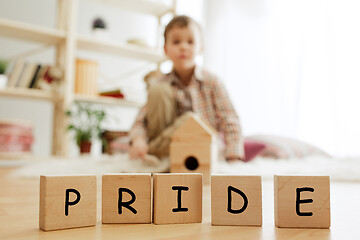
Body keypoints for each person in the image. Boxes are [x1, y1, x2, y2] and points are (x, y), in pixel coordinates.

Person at [129, 15, 244, 162]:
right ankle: (158, 153)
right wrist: (138, 140)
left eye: (190, 42)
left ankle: (153, 151)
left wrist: (233, 154)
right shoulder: (159, 83)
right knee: (158, 90)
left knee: (190, 121)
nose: (183, 47)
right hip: (169, 149)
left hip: (202, 146)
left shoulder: (213, 82)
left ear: (200, 48)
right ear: (166, 49)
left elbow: (230, 119)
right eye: (176, 42)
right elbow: (141, 120)